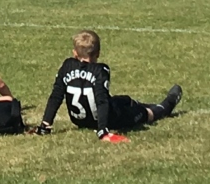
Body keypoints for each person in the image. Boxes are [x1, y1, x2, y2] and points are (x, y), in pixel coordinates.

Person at [38, 29, 180, 142]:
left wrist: (45, 124)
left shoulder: (67, 65)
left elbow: (56, 96)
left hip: (79, 120)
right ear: (98, 54)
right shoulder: (100, 70)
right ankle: (166, 105)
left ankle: (138, 103)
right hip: (106, 119)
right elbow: (102, 101)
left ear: (75, 53)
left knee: (124, 100)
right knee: (144, 113)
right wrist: (103, 131)